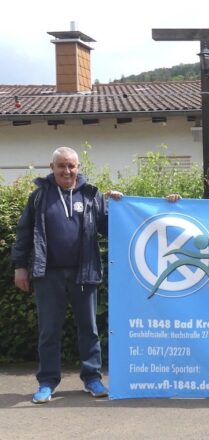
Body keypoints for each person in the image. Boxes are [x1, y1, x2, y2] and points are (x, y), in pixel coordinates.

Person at [11, 146, 123, 404]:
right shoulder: (38, 197)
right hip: (47, 274)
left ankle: (92, 378)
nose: (67, 170)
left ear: (78, 168)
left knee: (89, 329)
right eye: (61, 165)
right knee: (49, 331)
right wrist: (20, 266)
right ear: (52, 168)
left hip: (84, 272)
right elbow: (24, 233)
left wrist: (120, 205)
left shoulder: (93, 195)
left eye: (71, 165)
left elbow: (111, 229)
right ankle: (47, 382)